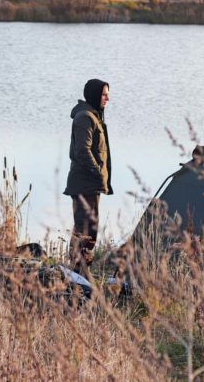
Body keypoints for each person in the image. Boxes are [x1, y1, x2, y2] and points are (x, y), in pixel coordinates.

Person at [64, 79, 112, 275]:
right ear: (94, 95)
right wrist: (96, 171)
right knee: (84, 230)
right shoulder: (85, 117)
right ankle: (77, 274)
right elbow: (82, 151)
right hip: (84, 184)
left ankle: (81, 272)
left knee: (89, 230)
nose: (107, 98)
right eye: (104, 94)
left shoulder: (94, 116)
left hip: (91, 184)